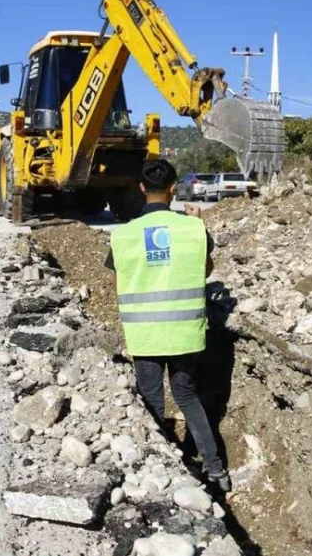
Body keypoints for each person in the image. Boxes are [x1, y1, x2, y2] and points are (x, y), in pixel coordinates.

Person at [103, 159, 231, 496]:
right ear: (173, 187)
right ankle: (217, 472)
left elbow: (120, 278)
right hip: (185, 332)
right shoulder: (192, 228)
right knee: (187, 396)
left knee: (151, 401)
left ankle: (157, 470)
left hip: (144, 333)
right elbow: (204, 270)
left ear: (141, 189)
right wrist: (197, 228)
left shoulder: (123, 235)